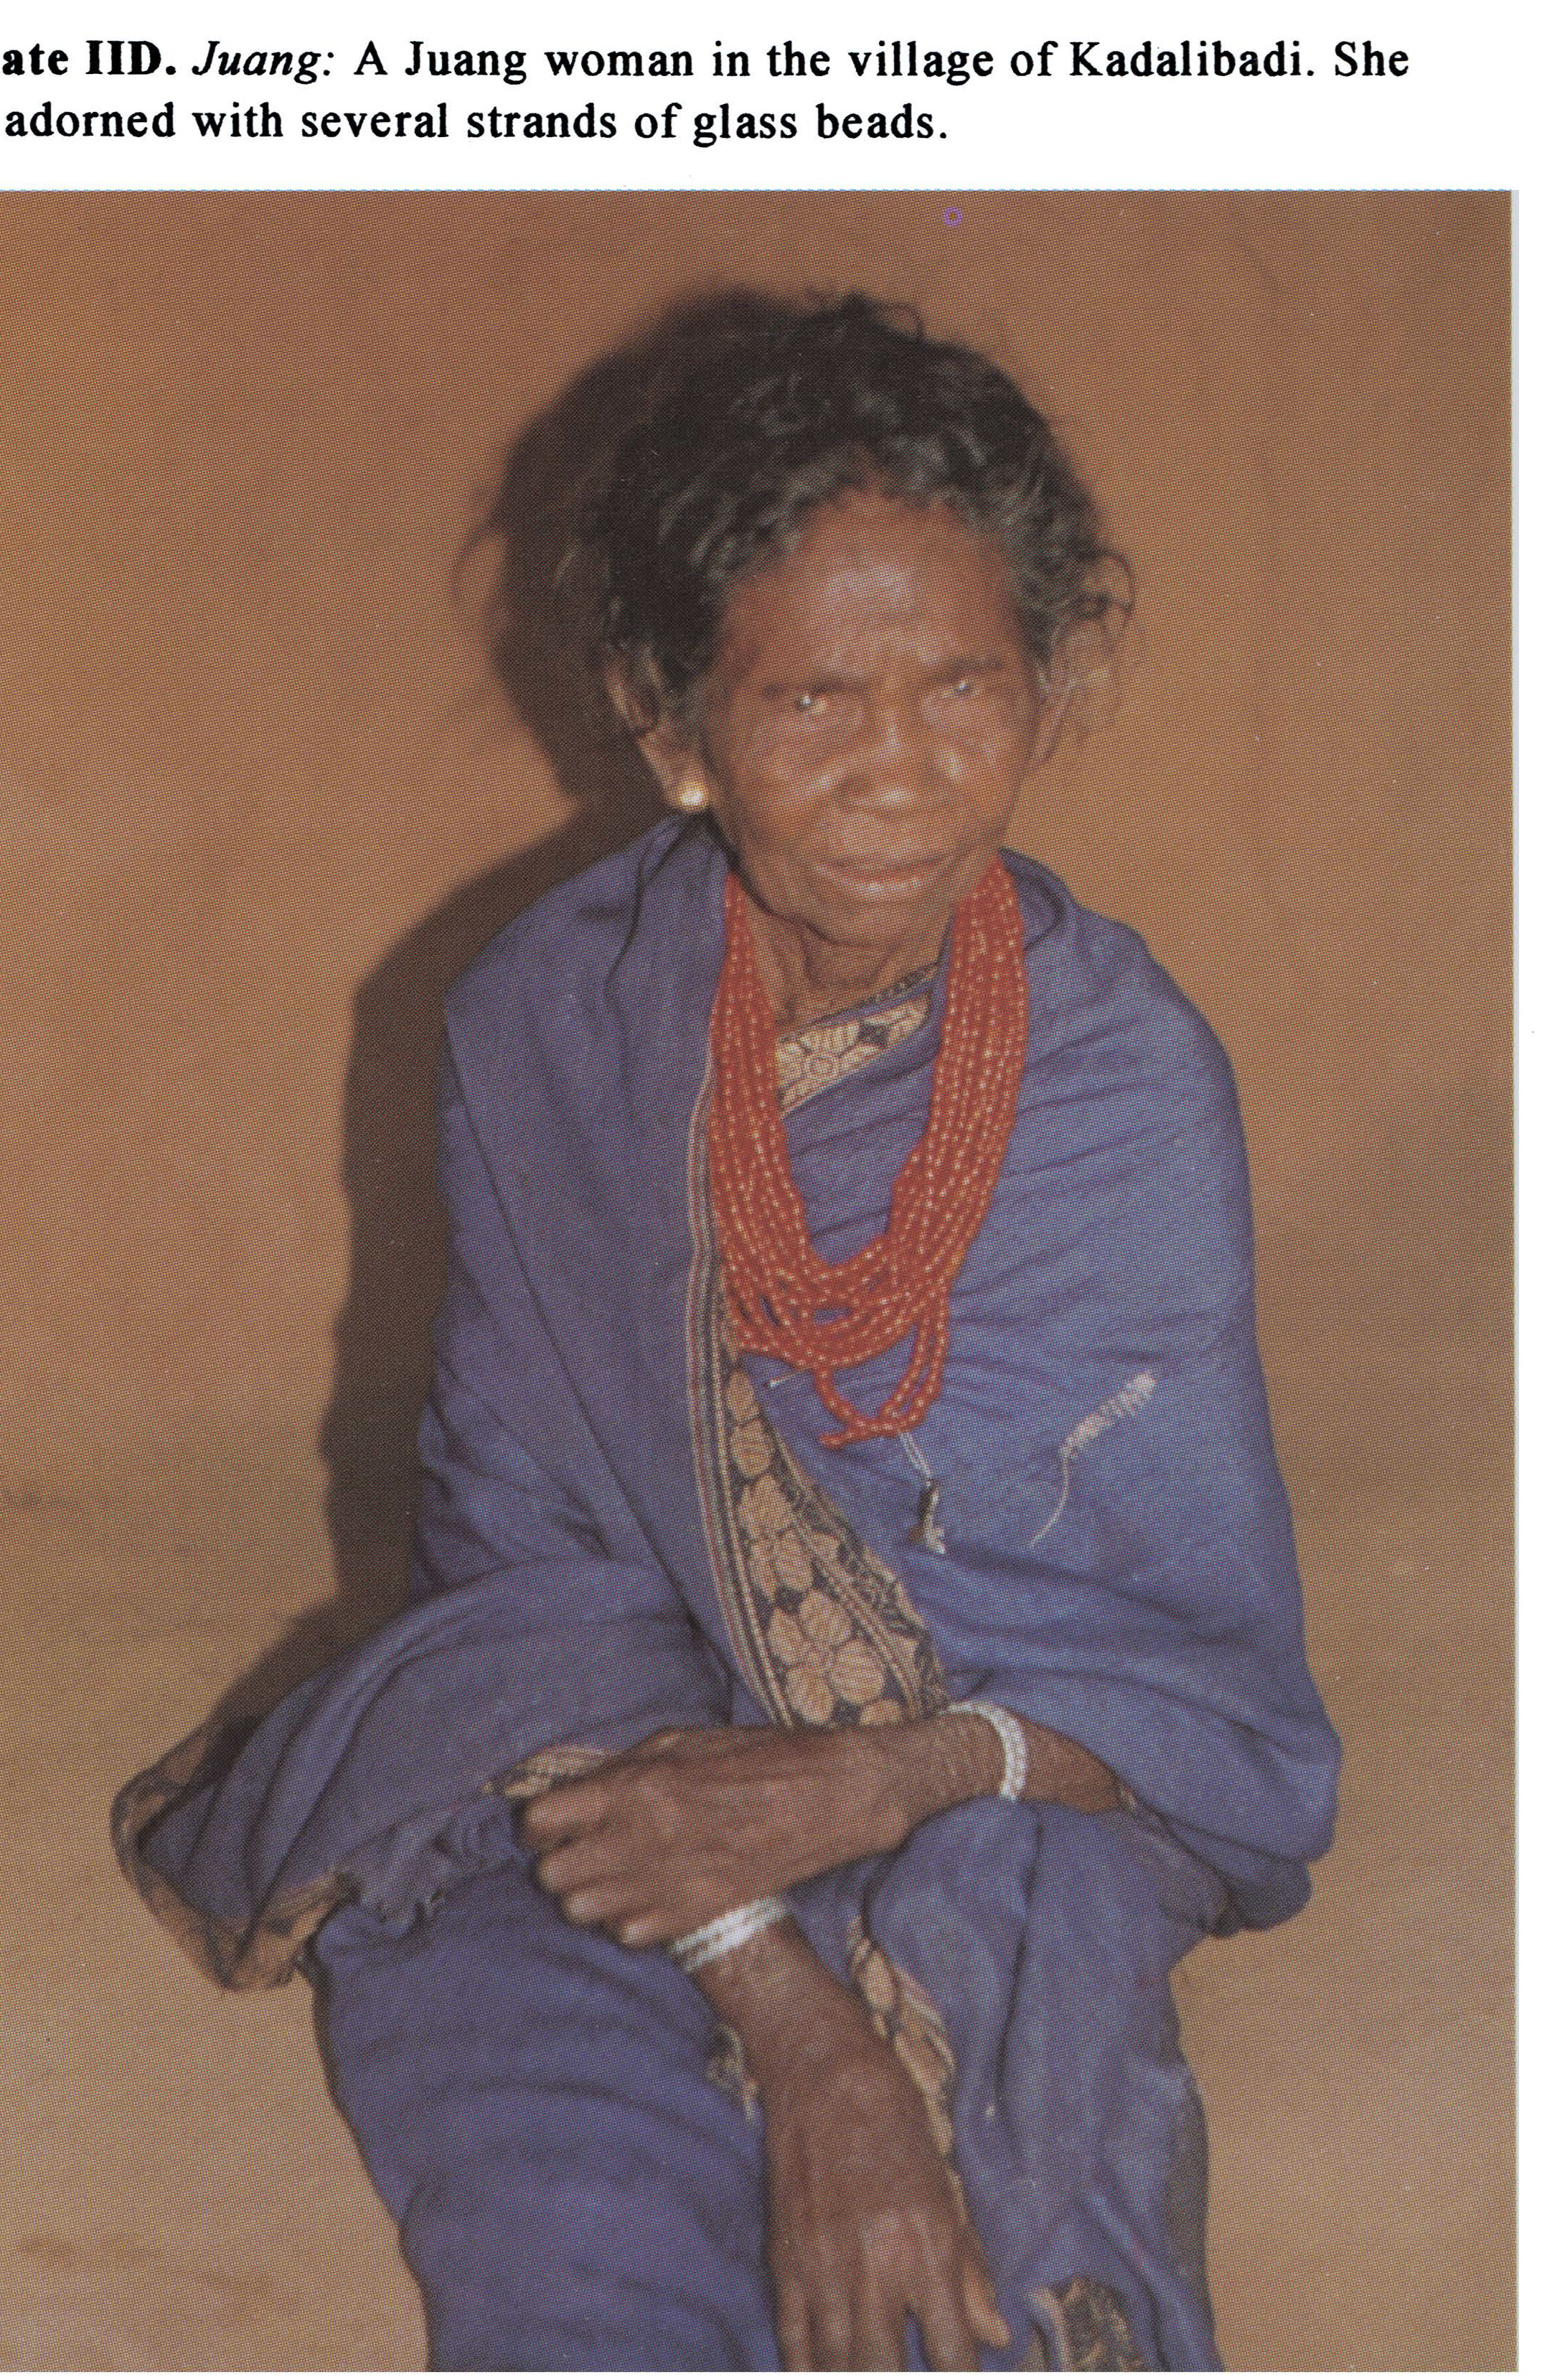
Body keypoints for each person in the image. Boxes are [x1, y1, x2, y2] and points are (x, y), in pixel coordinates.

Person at [116, 294, 1340, 2371]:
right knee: (551, 2142)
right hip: (619, 1722)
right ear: (674, 728)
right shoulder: (550, 1026)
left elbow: (1181, 1681)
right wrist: (784, 2000)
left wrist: (884, 1777)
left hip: (1002, 1774)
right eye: (812, 697)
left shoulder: (1125, 1074)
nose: (899, 764)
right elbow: (528, 1576)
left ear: (1046, 689)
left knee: (1026, 2109)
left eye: (966, 679)